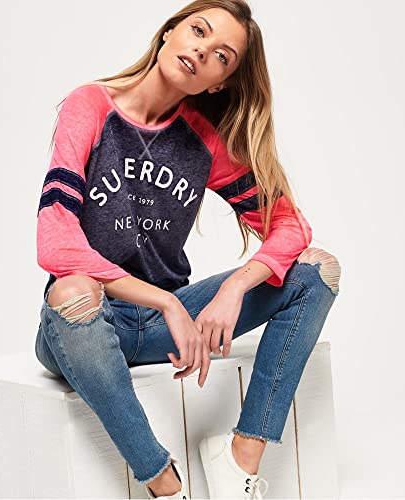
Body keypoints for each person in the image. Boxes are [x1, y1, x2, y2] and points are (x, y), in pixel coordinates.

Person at [34, 0, 341, 498]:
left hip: (164, 329)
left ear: (219, 83)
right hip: (87, 322)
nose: (202, 51)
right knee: (72, 291)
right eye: (199, 31)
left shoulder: (205, 142)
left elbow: (290, 224)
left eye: (222, 56)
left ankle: (239, 458)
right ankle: (164, 483)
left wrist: (237, 286)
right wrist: (166, 302)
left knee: (317, 272)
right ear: (169, 32)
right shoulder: (90, 106)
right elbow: (55, 241)